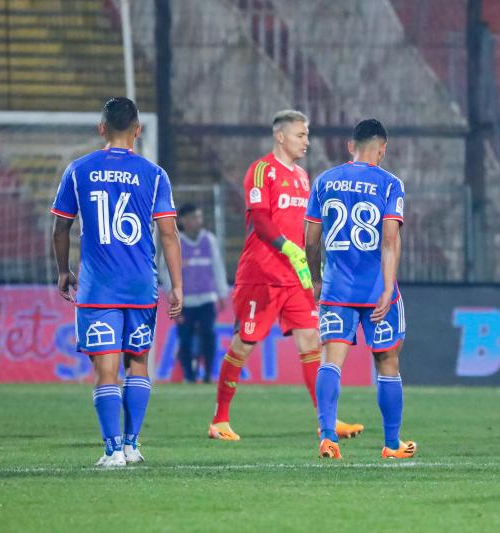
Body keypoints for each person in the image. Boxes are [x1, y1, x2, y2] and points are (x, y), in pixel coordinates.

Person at [208, 110, 363, 441]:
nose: (306, 141)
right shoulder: (261, 170)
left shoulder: (304, 177)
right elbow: (260, 220)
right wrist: (287, 248)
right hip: (261, 274)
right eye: (300, 135)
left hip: (295, 277)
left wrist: (308, 261)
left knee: (311, 342)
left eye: (307, 135)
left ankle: (328, 420)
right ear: (280, 136)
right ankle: (219, 419)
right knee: (245, 343)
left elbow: (305, 227)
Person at [51, 97, 182, 467]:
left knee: (105, 370)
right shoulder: (154, 174)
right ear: (138, 131)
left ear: (101, 128)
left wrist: (63, 270)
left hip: (98, 289)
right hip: (141, 286)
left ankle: (111, 452)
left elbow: (61, 226)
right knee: (137, 364)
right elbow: (169, 236)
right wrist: (178, 285)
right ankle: (132, 444)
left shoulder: (78, 170)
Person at [304, 118, 415, 460]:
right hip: (375, 291)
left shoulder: (324, 181)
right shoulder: (390, 184)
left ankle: (327, 437)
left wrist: (315, 278)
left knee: (331, 361)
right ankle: (391, 444)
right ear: (383, 149)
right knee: (387, 361)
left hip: (337, 289)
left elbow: (310, 240)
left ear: (351, 146)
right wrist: (385, 289)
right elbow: (390, 239)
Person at [160, 202, 229, 383]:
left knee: (209, 335)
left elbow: (218, 268)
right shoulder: (176, 242)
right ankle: (189, 376)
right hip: (185, 301)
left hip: (207, 299)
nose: (197, 221)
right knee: (185, 338)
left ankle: (208, 375)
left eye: (198, 217)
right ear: (182, 220)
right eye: (192, 218)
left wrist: (222, 293)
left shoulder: (209, 240)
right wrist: (172, 296)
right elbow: (165, 271)